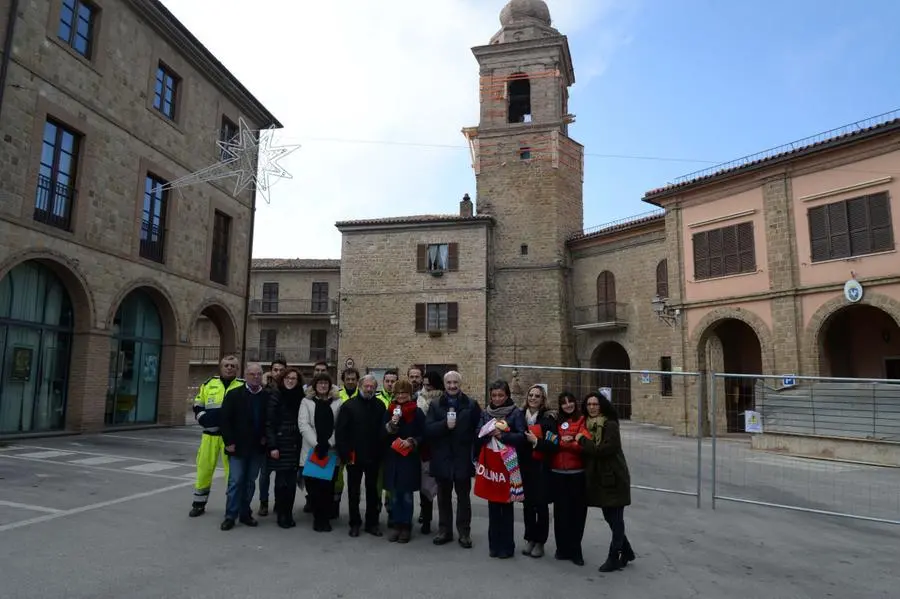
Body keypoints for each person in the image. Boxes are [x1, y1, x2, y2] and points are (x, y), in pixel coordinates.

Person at [580, 389, 636, 572]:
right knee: (610, 517)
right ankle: (627, 551)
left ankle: (614, 556)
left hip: (615, 476)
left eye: (595, 404)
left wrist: (582, 441)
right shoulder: (587, 424)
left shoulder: (610, 424)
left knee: (616, 518)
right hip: (602, 478)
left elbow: (602, 450)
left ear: (602, 405)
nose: (592, 407)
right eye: (589, 404)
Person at [425, 370, 481, 548]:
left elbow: (478, 430)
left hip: (462, 458)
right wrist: (444, 425)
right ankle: (445, 531)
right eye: (449, 383)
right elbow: (428, 430)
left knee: (463, 498)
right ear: (444, 384)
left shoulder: (471, 405)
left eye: (455, 382)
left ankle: (464, 533)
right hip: (442, 458)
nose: (452, 386)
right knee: (443, 497)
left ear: (460, 384)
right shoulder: (435, 405)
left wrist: (476, 455)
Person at [476, 380, 526, 559]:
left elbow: (522, 437)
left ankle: (507, 546)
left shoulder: (515, 413)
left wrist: (503, 435)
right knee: (493, 506)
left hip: (508, 464)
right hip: (491, 464)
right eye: (494, 395)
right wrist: (485, 433)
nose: (497, 399)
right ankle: (494, 545)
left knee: (506, 505)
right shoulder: (485, 413)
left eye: (501, 395)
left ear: (507, 396)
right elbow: (477, 435)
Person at [189, 354, 243, 518]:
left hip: (232, 438)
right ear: (221, 367)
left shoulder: (243, 386)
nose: (229, 368)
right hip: (210, 436)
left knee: (233, 475)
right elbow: (198, 405)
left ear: (237, 369)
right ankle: (199, 504)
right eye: (226, 365)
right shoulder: (208, 384)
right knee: (204, 470)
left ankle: (232, 507)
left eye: (233, 366)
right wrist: (204, 419)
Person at [219, 362, 271, 531]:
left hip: (257, 448)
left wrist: (265, 437)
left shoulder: (266, 396)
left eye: (258, 374)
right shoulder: (234, 394)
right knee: (235, 481)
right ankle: (230, 515)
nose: (255, 377)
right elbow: (225, 421)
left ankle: (245, 513)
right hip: (238, 447)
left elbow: (269, 420)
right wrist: (229, 443)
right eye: (252, 374)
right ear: (246, 376)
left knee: (249, 482)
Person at [336, 373, 387, 537]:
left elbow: (382, 432)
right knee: (353, 492)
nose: (369, 389)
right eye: (367, 386)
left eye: (372, 386)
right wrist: (345, 455)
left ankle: (372, 523)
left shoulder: (380, 405)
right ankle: (354, 523)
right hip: (354, 457)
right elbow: (341, 432)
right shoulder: (349, 406)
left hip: (374, 456)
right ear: (360, 386)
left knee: (373, 492)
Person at [382, 377, 426, 543]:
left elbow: (424, 434)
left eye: (404, 393)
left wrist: (412, 441)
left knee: (406, 495)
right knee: (394, 494)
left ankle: (406, 526)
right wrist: (391, 426)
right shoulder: (389, 410)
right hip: (393, 457)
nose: (401, 396)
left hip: (409, 458)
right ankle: (395, 524)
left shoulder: (417, 411)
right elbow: (382, 433)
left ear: (410, 394)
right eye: (398, 392)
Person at [299, 372, 343, 532]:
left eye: (326, 383)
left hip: (330, 450)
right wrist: (318, 444)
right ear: (314, 386)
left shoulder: (338, 402)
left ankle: (325, 519)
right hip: (312, 451)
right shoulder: (306, 402)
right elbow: (303, 424)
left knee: (327, 488)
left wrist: (329, 442)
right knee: (314, 488)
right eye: (320, 383)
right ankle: (318, 518)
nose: (323, 386)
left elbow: (340, 426)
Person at [550, 391, 590, 566]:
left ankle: (576, 550)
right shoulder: (555, 420)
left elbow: (584, 443)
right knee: (560, 513)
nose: (568, 405)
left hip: (576, 473)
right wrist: (562, 440)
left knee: (577, 513)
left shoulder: (581, 420)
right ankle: (562, 548)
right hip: (558, 473)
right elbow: (550, 438)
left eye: (570, 401)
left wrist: (568, 442)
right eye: (564, 402)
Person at [520, 384, 558, 558]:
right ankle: (530, 538)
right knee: (527, 505)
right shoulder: (520, 416)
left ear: (543, 400)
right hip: (524, 467)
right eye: (531, 395)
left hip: (541, 468)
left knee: (541, 506)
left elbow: (553, 444)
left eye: (537, 396)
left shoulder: (548, 419)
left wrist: (536, 441)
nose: (533, 398)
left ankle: (540, 542)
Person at [265, 368, 303, 529]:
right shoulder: (276, 394)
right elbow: (269, 422)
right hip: (280, 443)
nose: (290, 380)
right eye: (288, 377)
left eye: (294, 378)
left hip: (295, 444)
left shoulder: (301, 396)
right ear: (282, 379)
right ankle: (281, 513)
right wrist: (272, 445)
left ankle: (288, 512)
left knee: (291, 482)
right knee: (281, 482)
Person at [258, 358, 286, 517]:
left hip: (283, 438)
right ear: (271, 371)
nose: (278, 373)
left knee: (281, 474)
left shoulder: (288, 389)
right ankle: (263, 502)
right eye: (275, 369)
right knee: (265, 474)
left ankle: (278, 502)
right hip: (266, 438)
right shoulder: (263, 390)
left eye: (281, 370)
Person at [416, 370, 443, 534]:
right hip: (423, 447)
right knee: (424, 487)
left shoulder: (443, 399)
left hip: (439, 448)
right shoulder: (418, 398)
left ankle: (443, 523)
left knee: (441, 488)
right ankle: (426, 519)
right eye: (424, 385)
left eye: (429, 385)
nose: (426, 388)